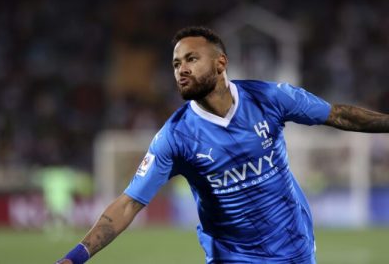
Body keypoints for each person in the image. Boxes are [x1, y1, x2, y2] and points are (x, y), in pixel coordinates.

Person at [56, 26, 389, 264]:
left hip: (294, 246)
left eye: (191, 59)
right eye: (175, 64)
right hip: (232, 256)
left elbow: (340, 116)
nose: (181, 70)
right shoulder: (175, 137)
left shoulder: (270, 98)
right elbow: (128, 204)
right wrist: (76, 257)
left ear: (220, 63)